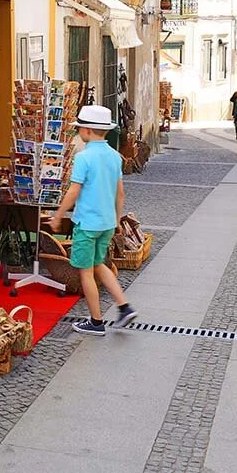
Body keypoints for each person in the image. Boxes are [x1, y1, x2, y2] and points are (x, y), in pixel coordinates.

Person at [50, 105, 137, 336]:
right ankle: (124, 306)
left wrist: (58, 215)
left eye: (79, 128)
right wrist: (117, 219)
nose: (78, 131)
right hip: (107, 222)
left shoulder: (84, 157)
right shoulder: (114, 157)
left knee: (86, 272)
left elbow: (73, 191)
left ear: (87, 131)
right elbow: (120, 193)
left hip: (87, 224)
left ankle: (96, 321)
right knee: (99, 264)